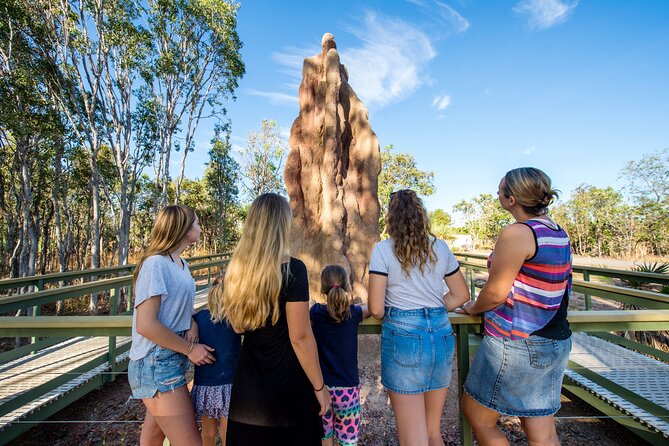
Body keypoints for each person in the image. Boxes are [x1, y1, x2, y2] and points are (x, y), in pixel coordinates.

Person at [459, 167, 572, 446]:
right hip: (555, 338)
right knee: (542, 431)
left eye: (499, 190)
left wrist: (473, 308)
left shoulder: (518, 233)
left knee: (478, 415)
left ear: (511, 200)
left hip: (519, 343)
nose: (496, 194)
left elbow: (496, 292)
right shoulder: (558, 231)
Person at [222, 193, 330, 446]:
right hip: (288, 392)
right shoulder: (293, 269)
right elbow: (300, 338)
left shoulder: (237, 270)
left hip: (247, 393)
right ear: (281, 224)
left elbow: (238, 326)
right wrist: (320, 388)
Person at [368, 189, 470, 446]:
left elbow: (377, 308)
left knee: (413, 437)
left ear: (391, 218)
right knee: (432, 432)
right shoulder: (440, 247)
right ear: (421, 214)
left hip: (404, 338)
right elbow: (460, 295)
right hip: (440, 334)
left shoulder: (383, 250)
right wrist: (433, 308)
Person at [127, 204, 216, 446]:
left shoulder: (181, 265)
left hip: (170, 361)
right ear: (184, 228)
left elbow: (174, 307)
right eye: (196, 222)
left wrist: (191, 321)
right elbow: (146, 325)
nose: (200, 226)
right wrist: (190, 350)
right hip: (155, 364)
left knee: (152, 441)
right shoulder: (155, 264)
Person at [310, 264, 370, 446]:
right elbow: (373, 308)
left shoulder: (316, 313)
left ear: (323, 288)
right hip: (348, 389)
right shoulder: (354, 313)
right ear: (347, 286)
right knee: (348, 441)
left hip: (323, 389)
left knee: (325, 436)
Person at [191, 276, 242, 446]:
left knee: (209, 434)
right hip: (228, 384)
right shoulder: (235, 320)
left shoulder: (199, 319)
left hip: (207, 385)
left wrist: (191, 322)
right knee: (227, 434)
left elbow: (188, 316)